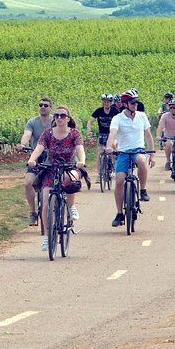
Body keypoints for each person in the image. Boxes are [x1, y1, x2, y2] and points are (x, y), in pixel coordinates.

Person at [27, 106, 86, 251]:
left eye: (63, 115)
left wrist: (82, 161)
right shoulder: (47, 133)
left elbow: (80, 150)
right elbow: (39, 148)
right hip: (51, 168)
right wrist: (32, 159)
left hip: (68, 166)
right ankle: (48, 237)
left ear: (68, 118)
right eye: (57, 115)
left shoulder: (74, 134)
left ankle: (71, 207)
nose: (59, 118)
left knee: (69, 177)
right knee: (46, 202)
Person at [106, 89, 155, 227]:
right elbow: (112, 134)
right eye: (133, 102)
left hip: (138, 149)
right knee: (120, 180)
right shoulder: (118, 118)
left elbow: (148, 135)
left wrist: (152, 154)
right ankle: (119, 213)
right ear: (126, 104)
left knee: (141, 160)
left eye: (137, 102)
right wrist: (109, 147)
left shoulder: (142, 116)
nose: (136, 105)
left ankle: (143, 190)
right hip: (122, 151)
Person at [17, 97, 53, 226]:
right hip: (36, 157)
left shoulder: (55, 121)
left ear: (50, 108)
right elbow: (27, 134)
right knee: (28, 183)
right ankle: (33, 213)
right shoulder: (32, 122)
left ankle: (57, 203)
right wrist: (23, 144)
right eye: (41, 105)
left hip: (51, 157)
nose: (43, 107)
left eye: (46, 105)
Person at [86, 93, 120, 182]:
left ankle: (113, 166)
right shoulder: (99, 111)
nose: (106, 103)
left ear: (110, 102)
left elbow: (120, 121)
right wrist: (89, 131)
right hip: (102, 134)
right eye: (104, 102)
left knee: (112, 147)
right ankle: (99, 174)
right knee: (100, 152)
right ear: (102, 102)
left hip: (112, 134)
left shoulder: (115, 111)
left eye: (108, 102)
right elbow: (90, 122)